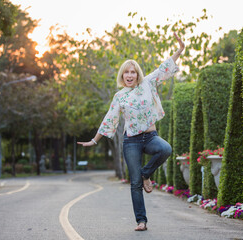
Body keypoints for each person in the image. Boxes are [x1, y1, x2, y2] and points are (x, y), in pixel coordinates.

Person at [77, 32, 185, 231]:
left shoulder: (148, 83)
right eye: (126, 72)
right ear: (122, 75)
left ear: (137, 74)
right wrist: (94, 140)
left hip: (150, 137)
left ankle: (146, 174)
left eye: (133, 72)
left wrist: (180, 49)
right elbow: (109, 118)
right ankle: (141, 221)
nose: (129, 75)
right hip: (131, 141)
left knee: (166, 149)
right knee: (134, 183)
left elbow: (165, 66)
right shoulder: (120, 96)